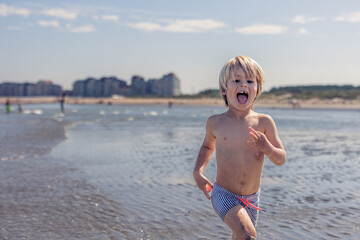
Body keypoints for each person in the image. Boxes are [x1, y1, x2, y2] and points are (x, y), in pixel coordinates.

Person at [193, 55, 286, 240]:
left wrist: (266, 147)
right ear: (224, 90)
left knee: (241, 236)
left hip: (252, 199)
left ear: (257, 90)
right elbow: (206, 147)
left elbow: (280, 159)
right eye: (236, 80)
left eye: (250, 81)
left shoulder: (264, 122)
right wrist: (198, 172)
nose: (243, 85)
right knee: (247, 234)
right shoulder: (216, 122)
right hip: (223, 194)